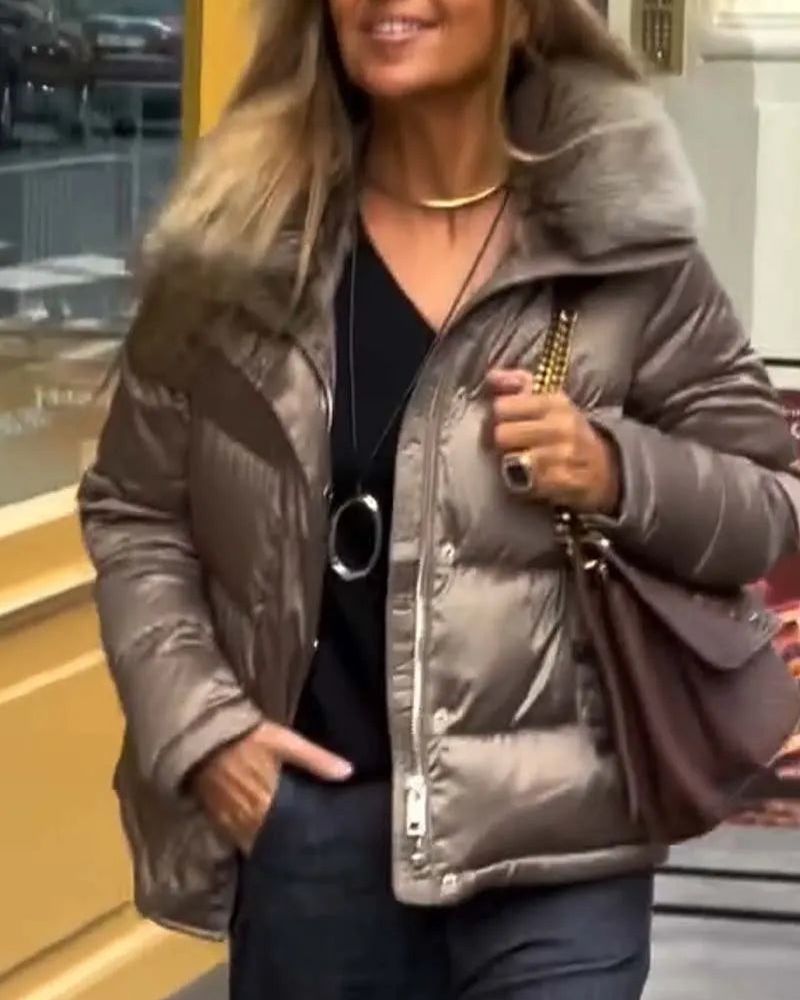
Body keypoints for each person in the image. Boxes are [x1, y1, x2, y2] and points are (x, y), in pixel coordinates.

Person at [78, 1, 800, 997]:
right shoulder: (235, 247)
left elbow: (767, 498)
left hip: (559, 848)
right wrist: (204, 732)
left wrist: (615, 469)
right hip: (312, 836)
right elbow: (136, 510)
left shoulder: (616, 243)